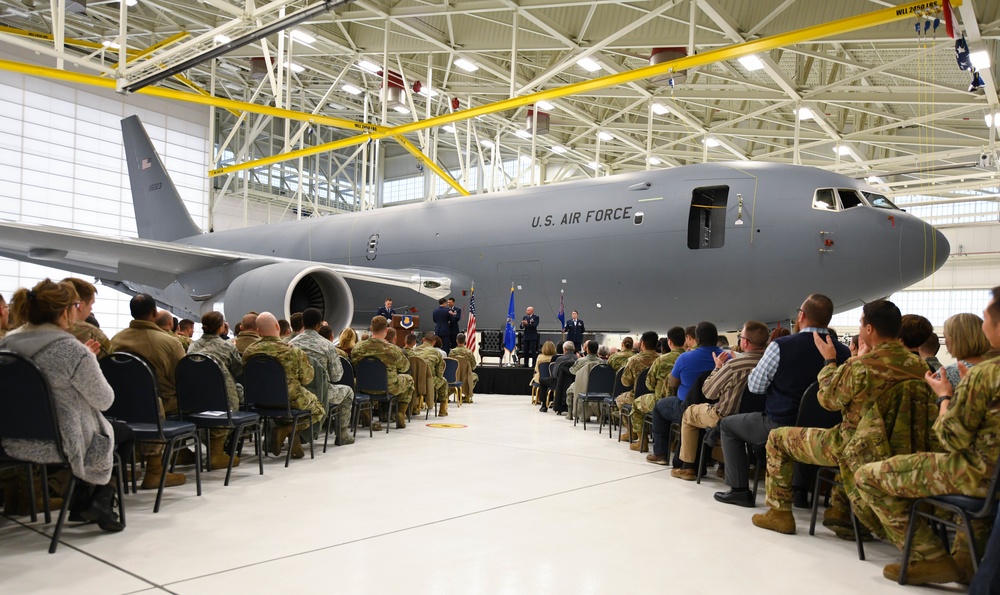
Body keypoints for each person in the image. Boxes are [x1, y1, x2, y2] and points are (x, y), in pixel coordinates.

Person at [855, 287, 1000, 586]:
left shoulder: (987, 375)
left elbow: (952, 439)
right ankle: (965, 561)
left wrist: (944, 398)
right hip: (994, 478)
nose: (982, 324)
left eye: (985, 317)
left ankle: (929, 557)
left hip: (976, 474)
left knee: (867, 475)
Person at [752, 299, 934, 538]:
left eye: (861, 324)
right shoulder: (920, 367)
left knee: (777, 438)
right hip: (900, 448)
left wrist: (829, 362)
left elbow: (827, 399)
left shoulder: (862, 366)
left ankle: (780, 513)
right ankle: (839, 511)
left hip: (853, 445)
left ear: (869, 329)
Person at [0, 278, 131, 532]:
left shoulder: (6, 345)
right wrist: (89, 361)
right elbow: (105, 400)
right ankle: (98, 501)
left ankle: (85, 503)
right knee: (122, 434)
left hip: (9, 442)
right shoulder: (72, 350)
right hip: (61, 443)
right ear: (65, 311)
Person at [714, 294, 850, 507]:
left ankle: (739, 489)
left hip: (780, 423)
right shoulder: (843, 352)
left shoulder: (781, 346)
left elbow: (755, 387)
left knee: (727, 426)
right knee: (809, 421)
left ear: (801, 315)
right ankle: (799, 491)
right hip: (824, 428)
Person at [671, 321, 768, 479]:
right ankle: (723, 466)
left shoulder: (734, 365)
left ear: (745, 341)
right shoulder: (771, 364)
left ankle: (687, 467)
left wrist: (717, 367)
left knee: (689, 413)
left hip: (727, 415)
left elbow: (709, 392)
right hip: (758, 418)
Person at [111, 293, 188, 490]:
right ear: (154, 313)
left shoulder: (115, 341)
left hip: (119, 408)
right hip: (161, 407)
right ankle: (156, 470)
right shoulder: (170, 343)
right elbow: (182, 379)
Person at [244, 312, 325, 457]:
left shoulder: (249, 352)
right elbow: (307, 379)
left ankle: (290, 438)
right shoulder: (292, 351)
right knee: (319, 410)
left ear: (258, 330)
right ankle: (287, 430)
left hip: (258, 401)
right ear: (277, 326)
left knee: (284, 412)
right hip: (289, 399)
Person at [644, 323, 721, 458]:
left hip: (686, 406)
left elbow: (673, 383)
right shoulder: (727, 357)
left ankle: (660, 453)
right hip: (716, 407)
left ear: (697, 339)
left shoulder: (685, 358)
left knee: (659, 407)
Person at [186, 311, 244, 468]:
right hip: (223, 400)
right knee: (237, 390)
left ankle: (213, 449)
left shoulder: (192, 346)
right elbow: (239, 371)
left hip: (195, 398)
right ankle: (216, 453)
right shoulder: (226, 347)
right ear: (221, 328)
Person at [290, 308, 356, 446]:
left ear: (303, 322)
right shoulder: (327, 345)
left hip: (296, 393)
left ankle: (295, 430)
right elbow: (337, 376)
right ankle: (342, 434)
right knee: (348, 391)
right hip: (321, 392)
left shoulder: (291, 344)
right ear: (319, 325)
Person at [351, 315, 414, 428]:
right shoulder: (393, 349)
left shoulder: (357, 348)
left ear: (371, 328)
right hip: (389, 387)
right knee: (409, 379)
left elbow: (355, 365)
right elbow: (405, 368)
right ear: (386, 330)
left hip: (363, 386)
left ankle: (366, 412)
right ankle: (401, 413)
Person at [616, 331, 660, 440]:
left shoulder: (633, 360)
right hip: (656, 395)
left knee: (620, 400)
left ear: (642, 344)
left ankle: (631, 431)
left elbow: (625, 382)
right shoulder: (661, 359)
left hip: (637, 395)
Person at [62, 278, 112, 359]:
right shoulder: (94, 335)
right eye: (91, 304)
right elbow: (112, 365)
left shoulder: (39, 326)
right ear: (81, 305)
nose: (91, 309)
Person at [940, 313, 991, 389]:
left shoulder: (945, 375)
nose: (945, 341)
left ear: (954, 340)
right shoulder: (995, 370)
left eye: (945, 336)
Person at [565, 340, 603, 423]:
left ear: (587, 350)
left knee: (569, 391)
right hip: (598, 388)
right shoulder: (601, 362)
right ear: (597, 350)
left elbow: (572, 371)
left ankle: (570, 414)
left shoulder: (581, 361)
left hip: (582, 386)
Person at [413, 332, 448, 417]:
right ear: (434, 342)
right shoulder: (436, 353)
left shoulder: (413, 350)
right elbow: (439, 374)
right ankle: (442, 410)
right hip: (428, 382)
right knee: (444, 381)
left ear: (423, 340)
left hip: (414, 381)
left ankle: (414, 408)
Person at [539, 341, 577, 414]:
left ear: (564, 349)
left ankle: (544, 406)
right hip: (573, 382)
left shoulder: (560, 359)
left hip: (559, 383)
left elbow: (554, 374)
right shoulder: (577, 359)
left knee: (542, 380)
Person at [449, 332, 479, 402]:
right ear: (465, 341)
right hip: (466, 378)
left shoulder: (452, 352)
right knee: (475, 376)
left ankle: (450, 393)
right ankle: (467, 395)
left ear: (456, 341)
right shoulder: (469, 352)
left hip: (454, 377)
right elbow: (474, 366)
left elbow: (450, 365)